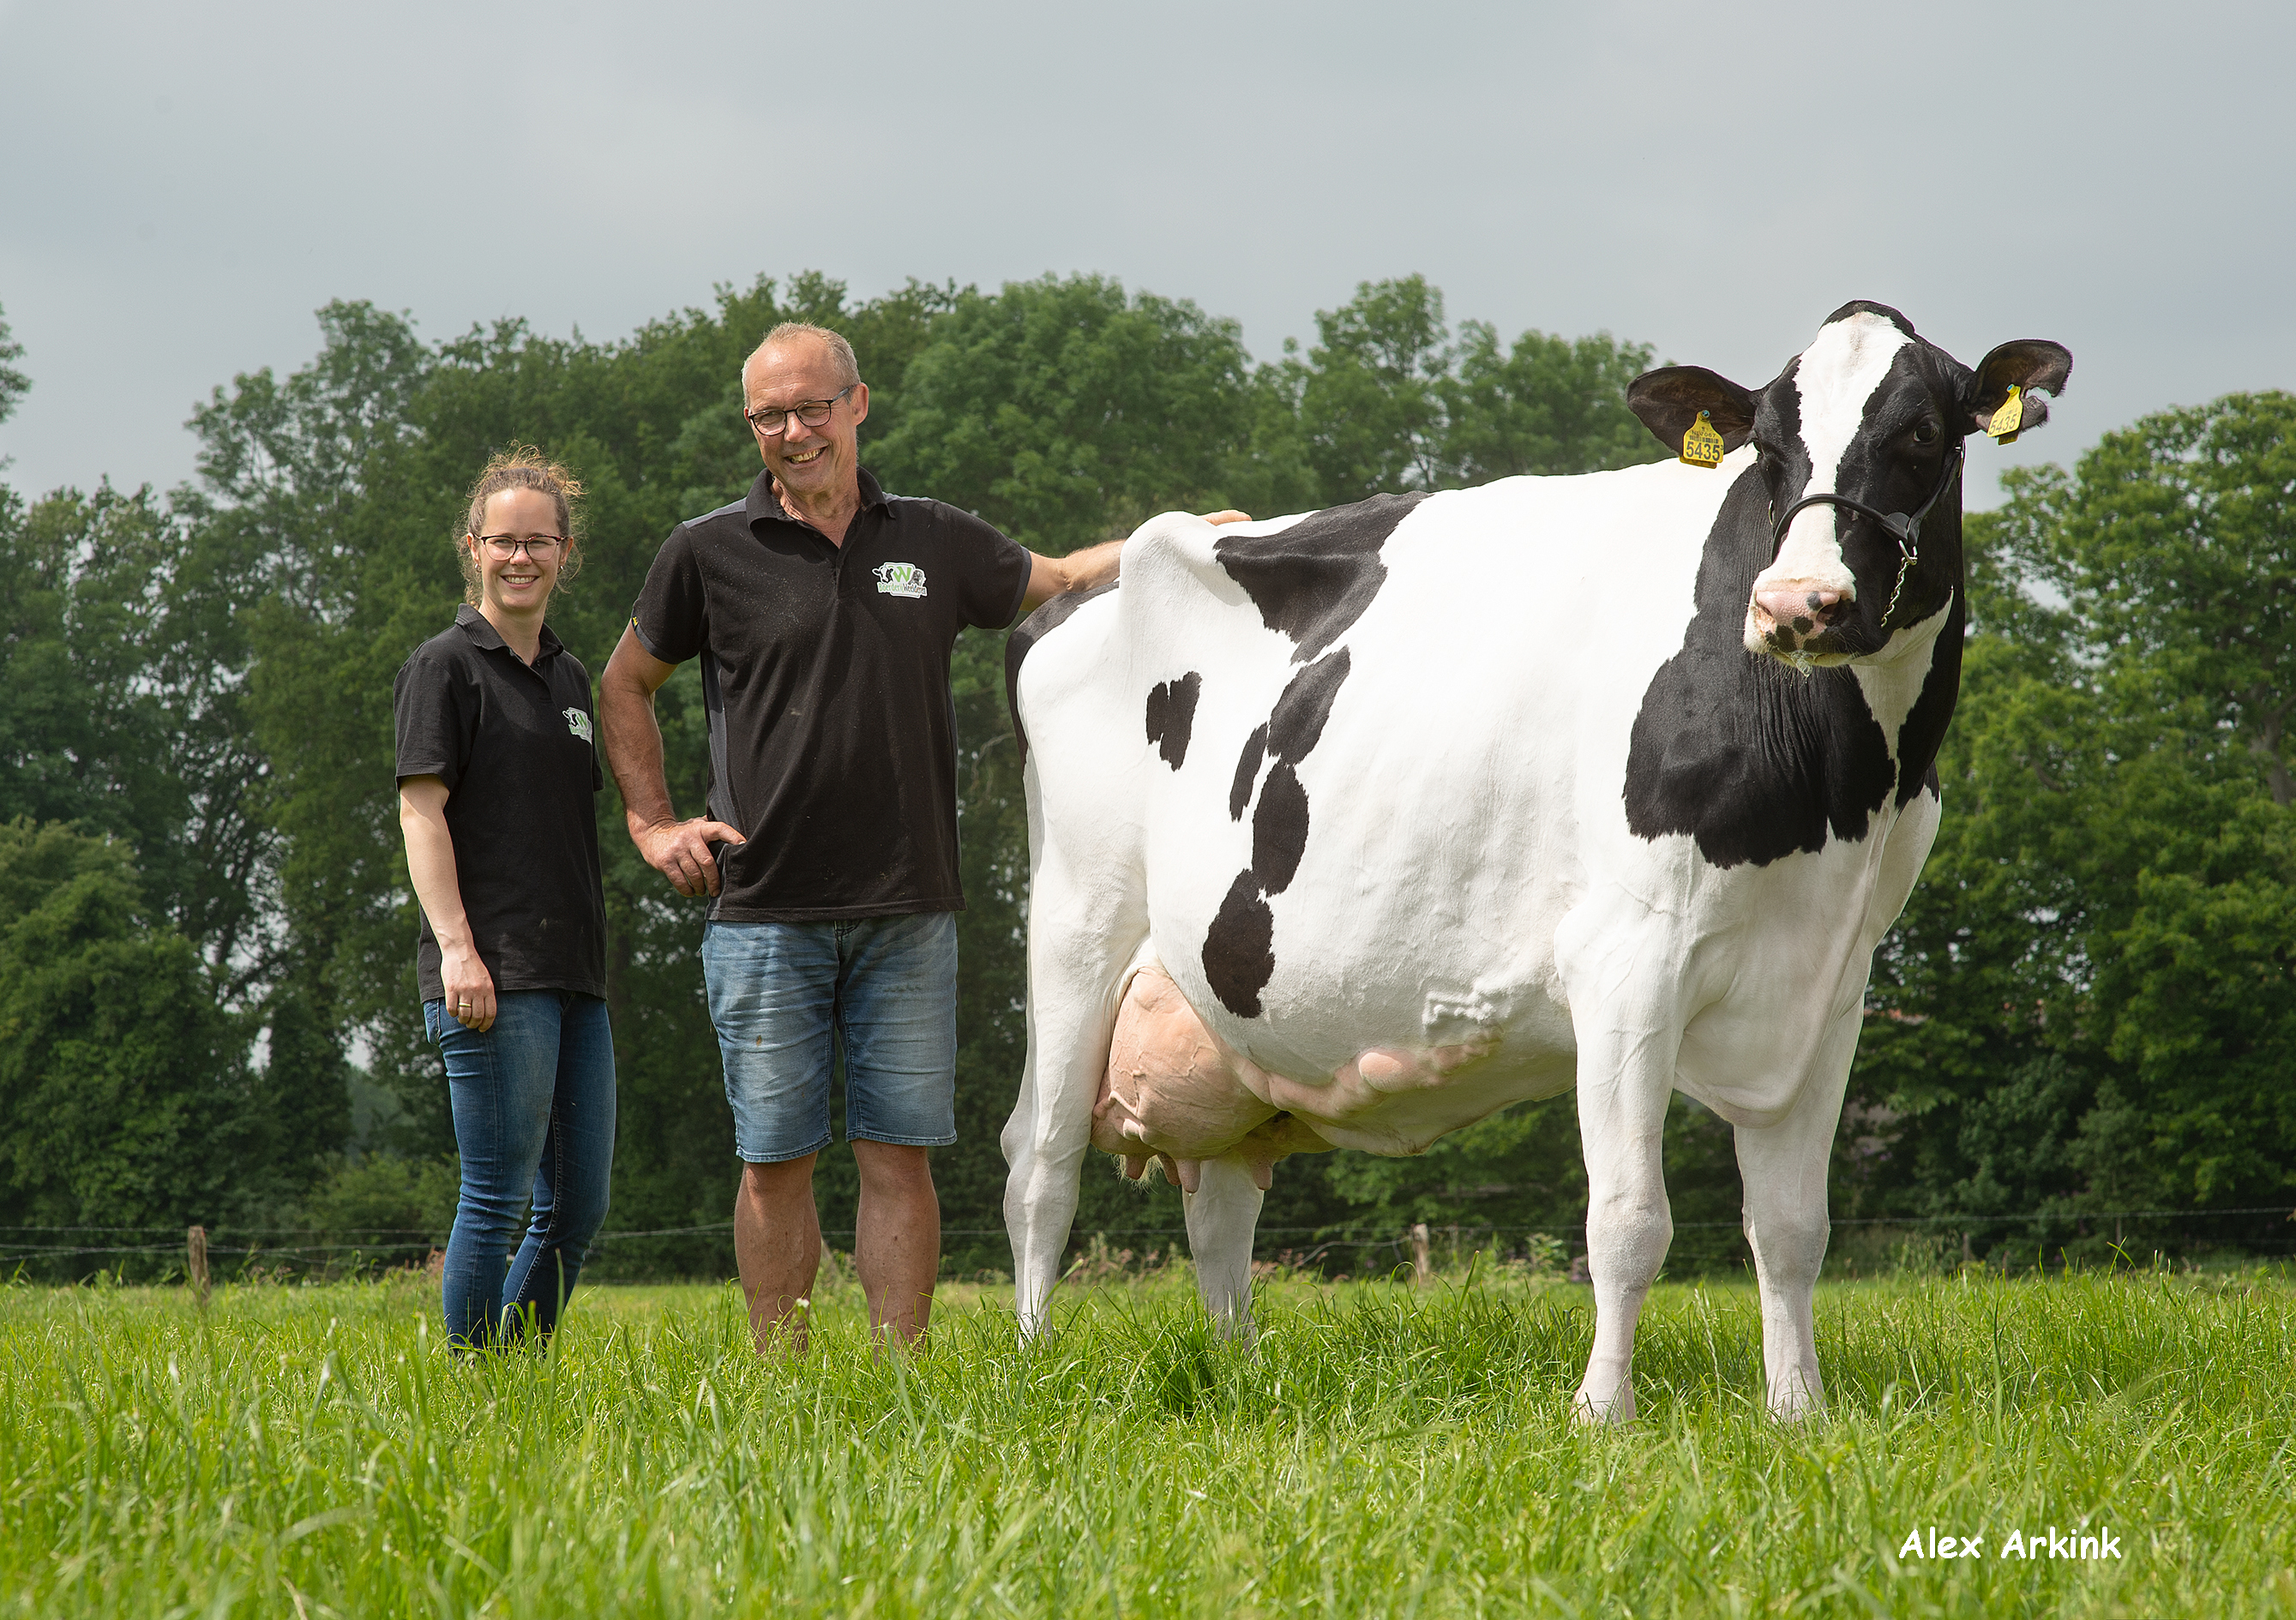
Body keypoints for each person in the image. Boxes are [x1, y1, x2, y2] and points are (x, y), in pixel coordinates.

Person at [600, 321, 1241, 1354]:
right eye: (771, 415)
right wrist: (650, 820)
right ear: (752, 427)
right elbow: (624, 682)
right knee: (773, 1161)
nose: (794, 431)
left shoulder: (931, 538)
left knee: (898, 1156)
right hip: (763, 909)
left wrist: (1170, 542)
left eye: (813, 407)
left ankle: (901, 1371)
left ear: (858, 405)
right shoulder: (706, 550)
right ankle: (782, 1377)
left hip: (909, 907)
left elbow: (1061, 576)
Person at [394, 450, 616, 1353]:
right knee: (495, 1198)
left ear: (565, 551)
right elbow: (421, 812)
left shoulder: (570, 679)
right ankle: (473, 1388)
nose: (519, 558)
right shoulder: (443, 667)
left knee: (579, 1209)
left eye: (538, 541)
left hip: (575, 977)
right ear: (471, 548)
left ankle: (510, 1379)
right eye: (501, 542)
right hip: (488, 976)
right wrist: (457, 948)